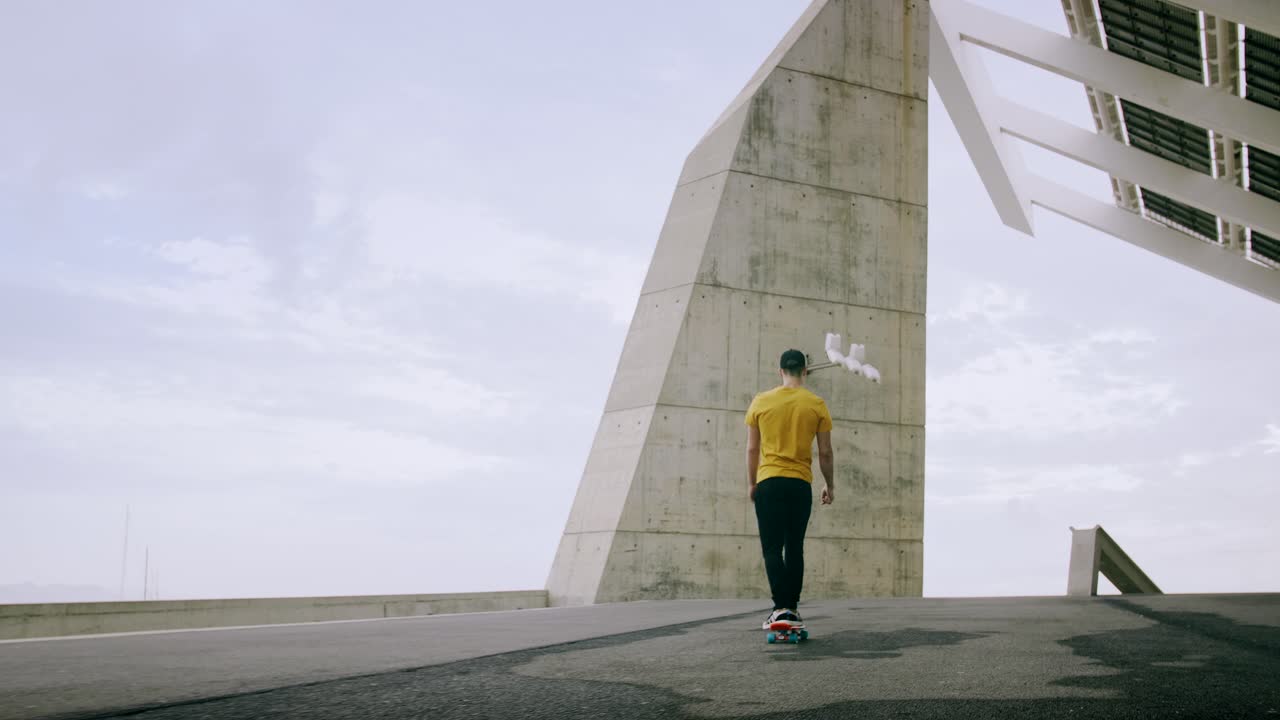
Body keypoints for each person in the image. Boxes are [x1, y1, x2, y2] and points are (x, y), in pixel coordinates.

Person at [745, 348, 835, 631]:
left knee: (772, 548)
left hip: (769, 482)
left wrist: (751, 483)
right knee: (794, 548)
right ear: (805, 371)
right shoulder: (816, 403)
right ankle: (791, 610)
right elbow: (826, 453)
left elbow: (752, 448)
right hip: (799, 484)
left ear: (780, 370)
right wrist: (829, 485)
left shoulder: (761, 402)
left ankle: (779, 609)